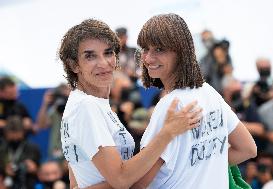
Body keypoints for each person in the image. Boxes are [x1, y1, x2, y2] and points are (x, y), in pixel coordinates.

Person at [58, 18, 202, 189]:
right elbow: (121, 180)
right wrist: (167, 133)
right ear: (74, 65)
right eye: (90, 56)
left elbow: (76, 181)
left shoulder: (82, 103)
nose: (103, 63)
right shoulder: (86, 106)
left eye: (108, 53)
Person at [129, 13, 256, 189]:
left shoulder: (170, 106)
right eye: (145, 49)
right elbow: (247, 149)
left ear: (181, 52)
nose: (148, 58)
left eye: (159, 49)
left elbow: (139, 183)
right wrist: (207, 168)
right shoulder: (209, 92)